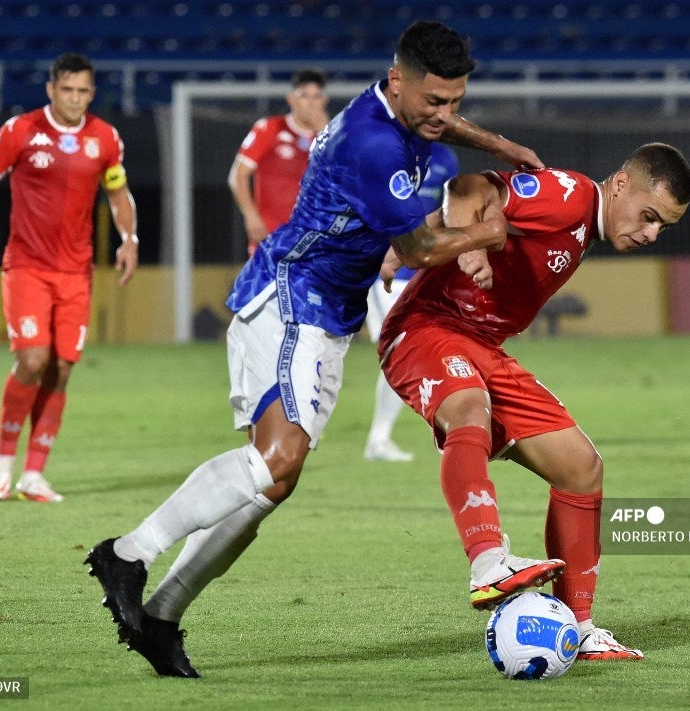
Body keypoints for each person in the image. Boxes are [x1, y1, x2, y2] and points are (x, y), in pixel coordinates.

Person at [84, 20, 547, 678]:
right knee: (278, 457)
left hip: (328, 312)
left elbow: (442, 130)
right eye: (435, 102)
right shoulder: (370, 142)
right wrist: (487, 234)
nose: (446, 116)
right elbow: (414, 249)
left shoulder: (401, 110)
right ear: (398, 83)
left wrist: (496, 142)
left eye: (456, 101)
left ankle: (160, 614)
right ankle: (129, 552)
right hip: (292, 297)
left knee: (273, 482)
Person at [377, 144, 690, 660]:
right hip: (428, 328)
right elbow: (469, 189)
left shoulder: (579, 224)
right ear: (619, 184)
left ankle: (579, 625)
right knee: (468, 410)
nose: (651, 232)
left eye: (663, 226)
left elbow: (477, 209)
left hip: (482, 346)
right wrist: (469, 248)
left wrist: (421, 235)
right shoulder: (567, 196)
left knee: (581, 467)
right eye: (649, 216)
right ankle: (487, 562)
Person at [0, 52, 139, 504]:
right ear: (51, 90)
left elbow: (118, 191)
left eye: (84, 91)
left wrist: (129, 237)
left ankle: (34, 474)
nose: (76, 99)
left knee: (62, 369)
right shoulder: (22, 131)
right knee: (32, 361)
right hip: (26, 266)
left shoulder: (104, 138)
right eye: (68, 90)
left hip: (76, 273)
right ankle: (3, 461)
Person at [364, 141, 460, 462]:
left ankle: (379, 439)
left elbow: (452, 211)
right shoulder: (389, 150)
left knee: (411, 351)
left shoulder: (446, 157)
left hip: (422, 271)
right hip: (385, 270)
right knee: (400, 351)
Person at [228, 69, 330, 257]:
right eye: (304, 96)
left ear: (324, 101)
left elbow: (342, 180)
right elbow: (238, 175)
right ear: (291, 99)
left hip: (314, 242)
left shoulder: (330, 137)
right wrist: (250, 215)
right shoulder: (270, 128)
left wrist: (325, 133)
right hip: (271, 239)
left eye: (316, 97)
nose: (310, 103)